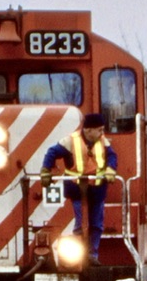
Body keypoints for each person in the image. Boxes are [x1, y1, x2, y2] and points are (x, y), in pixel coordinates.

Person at [39, 112, 117, 261]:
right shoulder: (70, 141)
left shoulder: (102, 141)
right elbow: (52, 153)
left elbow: (112, 156)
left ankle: (92, 255)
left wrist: (111, 169)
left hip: (97, 189)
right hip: (76, 189)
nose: (102, 133)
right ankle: (77, 256)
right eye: (99, 129)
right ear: (88, 130)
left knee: (97, 224)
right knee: (79, 223)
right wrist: (45, 170)